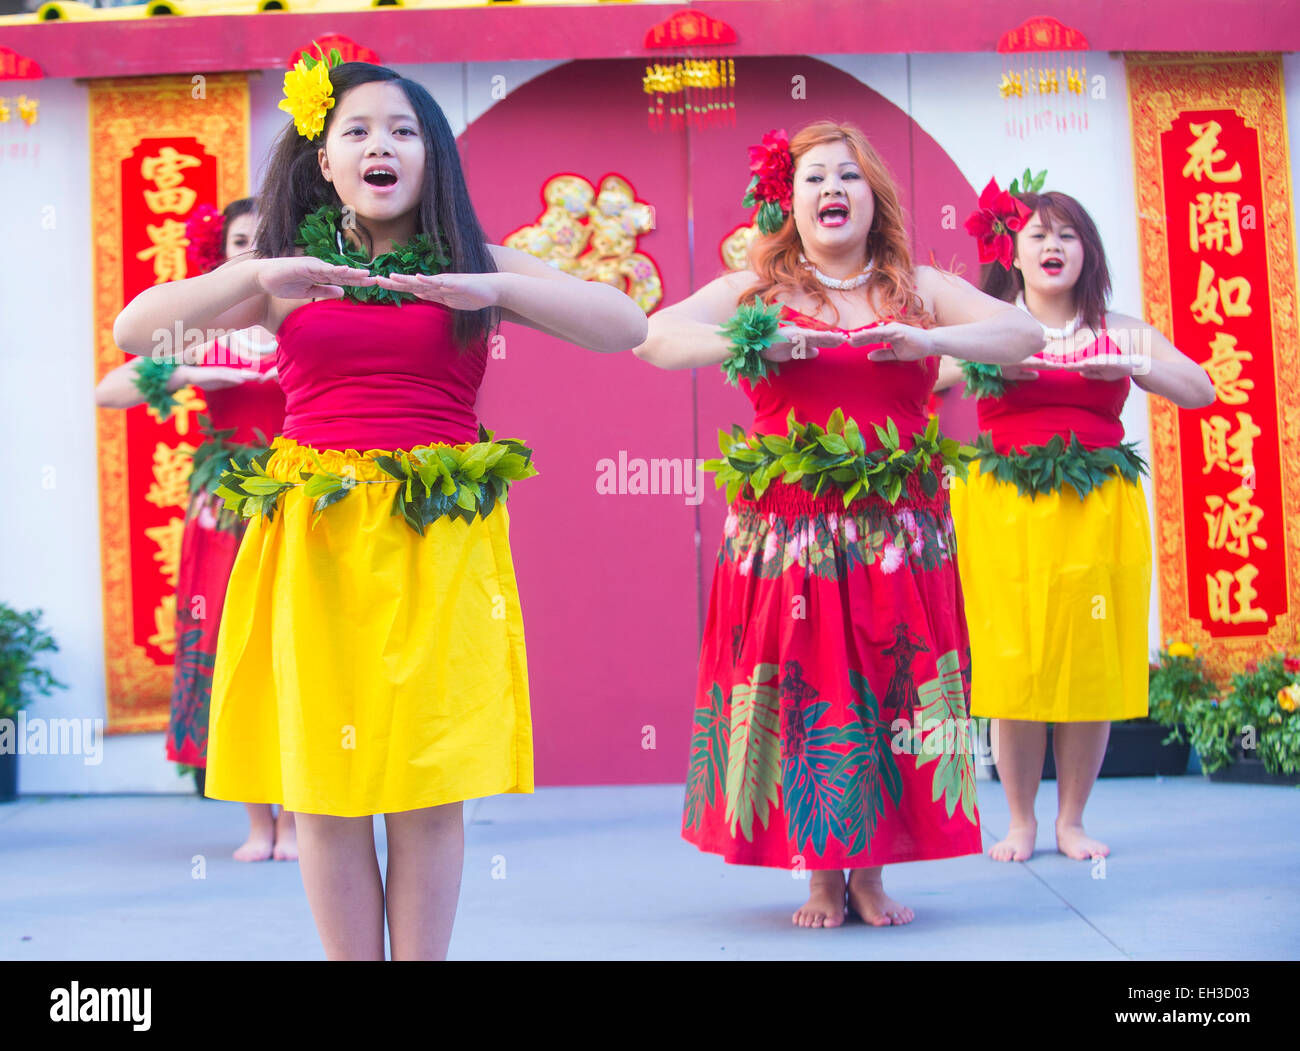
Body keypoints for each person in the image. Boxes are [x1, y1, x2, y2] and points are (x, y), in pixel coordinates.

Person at [112, 59, 647, 959]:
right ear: (325, 161)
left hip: (438, 540)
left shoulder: (475, 261)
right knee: (326, 782)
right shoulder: (288, 277)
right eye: (356, 131)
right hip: (315, 539)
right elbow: (137, 333)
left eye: (401, 130)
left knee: (428, 781)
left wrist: (498, 289)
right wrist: (276, 266)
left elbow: (625, 326)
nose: (379, 146)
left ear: (430, 155)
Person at [634, 122, 1043, 928]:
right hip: (787, 534)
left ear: (873, 197)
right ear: (789, 201)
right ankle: (820, 874)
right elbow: (652, 336)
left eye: (848, 177)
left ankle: (872, 874)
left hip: (896, 532)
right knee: (806, 691)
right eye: (814, 177)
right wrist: (753, 335)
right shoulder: (759, 287)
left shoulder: (915, 286)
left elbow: (1024, 334)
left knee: (889, 688)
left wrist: (929, 337)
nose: (831, 190)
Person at [935, 186, 1215, 862]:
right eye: (1037, 235)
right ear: (1014, 252)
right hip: (1007, 508)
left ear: (1087, 252)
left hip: (1095, 509)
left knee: (1085, 663)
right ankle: (1022, 821)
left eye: (1068, 235)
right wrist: (983, 358)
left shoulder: (1117, 327)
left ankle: (1072, 820)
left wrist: (1132, 365)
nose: (1053, 246)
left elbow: (1202, 388)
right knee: (1017, 664)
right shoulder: (992, 325)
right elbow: (923, 379)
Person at [95, 197, 297, 862]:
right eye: (242, 240)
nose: (253, 250)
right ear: (222, 253)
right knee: (230, 650)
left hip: (301, 497)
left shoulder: (306, 320)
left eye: (265, 238)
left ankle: (299, 823)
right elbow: (111, 388)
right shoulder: (211, 328)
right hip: (228, 505)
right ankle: (258, 823)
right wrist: (190, 371)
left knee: (294, 652)